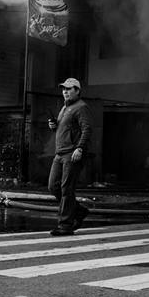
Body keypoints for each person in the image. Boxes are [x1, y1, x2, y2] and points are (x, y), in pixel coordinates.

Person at [47, 77, 92, 236]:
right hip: (59, 154)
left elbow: (86, 130)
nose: (65, 91)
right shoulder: (64, 108)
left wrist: (79, 148)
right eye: (63, 89)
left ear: (77, 91)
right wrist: (54, 126)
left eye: (69, 88)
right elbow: (63, 130)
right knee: (53, 186)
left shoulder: (81, 107)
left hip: (72, 153)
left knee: (67, 188)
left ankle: (65, 225)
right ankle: (78, 212)